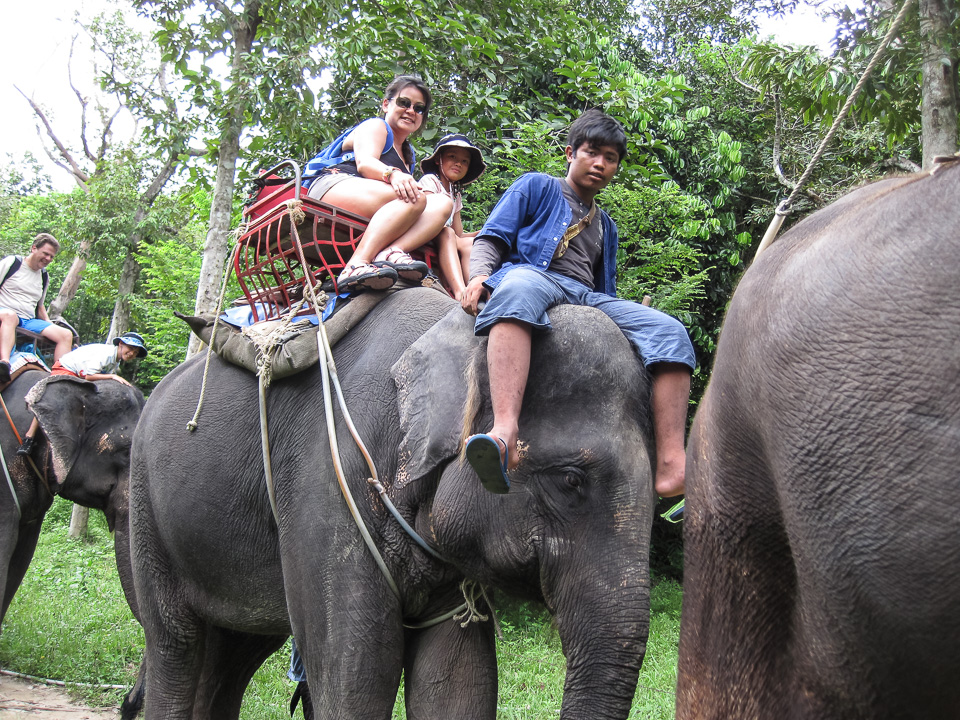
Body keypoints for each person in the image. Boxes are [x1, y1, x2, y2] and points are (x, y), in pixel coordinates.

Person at [460, 110, 695, 499]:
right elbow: (491, 238)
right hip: (533, 275)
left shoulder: (606, 225)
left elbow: (605, 288)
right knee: (517, 289)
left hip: (587, 296)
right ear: (570, 153)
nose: (600, 164)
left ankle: (672, 464)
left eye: (610, 158)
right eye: (592, 152)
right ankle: (504, 432)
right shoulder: (536, 185)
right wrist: (478, 276)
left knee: (670, 331)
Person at [305, 75, 453, 293]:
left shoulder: (408, 155)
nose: (411, 111)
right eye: (404, 102)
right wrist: (393, 174)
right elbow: (365, 163)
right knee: (414, 197)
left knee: (443, 202)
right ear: (386, 104)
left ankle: (391, 251)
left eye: (419, 108)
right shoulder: (376, 126)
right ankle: (356, 264)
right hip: (334, 186)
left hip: (375, 200)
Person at [17, 331, 148, 456]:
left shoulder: (115, 361)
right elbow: (89, 376)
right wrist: (113, 377)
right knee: (50, 399)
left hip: (79, 375)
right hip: (67, 369)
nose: (131, 353)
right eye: (130, 348)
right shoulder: (107, 354)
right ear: (120, 344)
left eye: (135, 352)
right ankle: (29, 437)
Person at [418, 134, 485, 300]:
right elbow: (428, 214)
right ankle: (459, 291)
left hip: (447, 236)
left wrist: (483, 232)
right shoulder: (430, 181)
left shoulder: (456, 194)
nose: (458, 164)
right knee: (447, 232)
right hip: (426, 231)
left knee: (471, 242)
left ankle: (474, 289)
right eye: (452, 157)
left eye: (464, 161)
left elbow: (459, 234)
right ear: (438, 160)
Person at [0, 234, 74, 383]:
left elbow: (40, 306)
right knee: (10, 316)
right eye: (45, 254)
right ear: (34, 248)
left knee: (66, 334)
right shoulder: (13, 263)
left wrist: (49, 324)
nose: (48, 259)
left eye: (51, 257)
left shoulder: (44, 276)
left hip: (28, 320)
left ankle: (60, 378)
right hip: (5, 312)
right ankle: (4, 363)